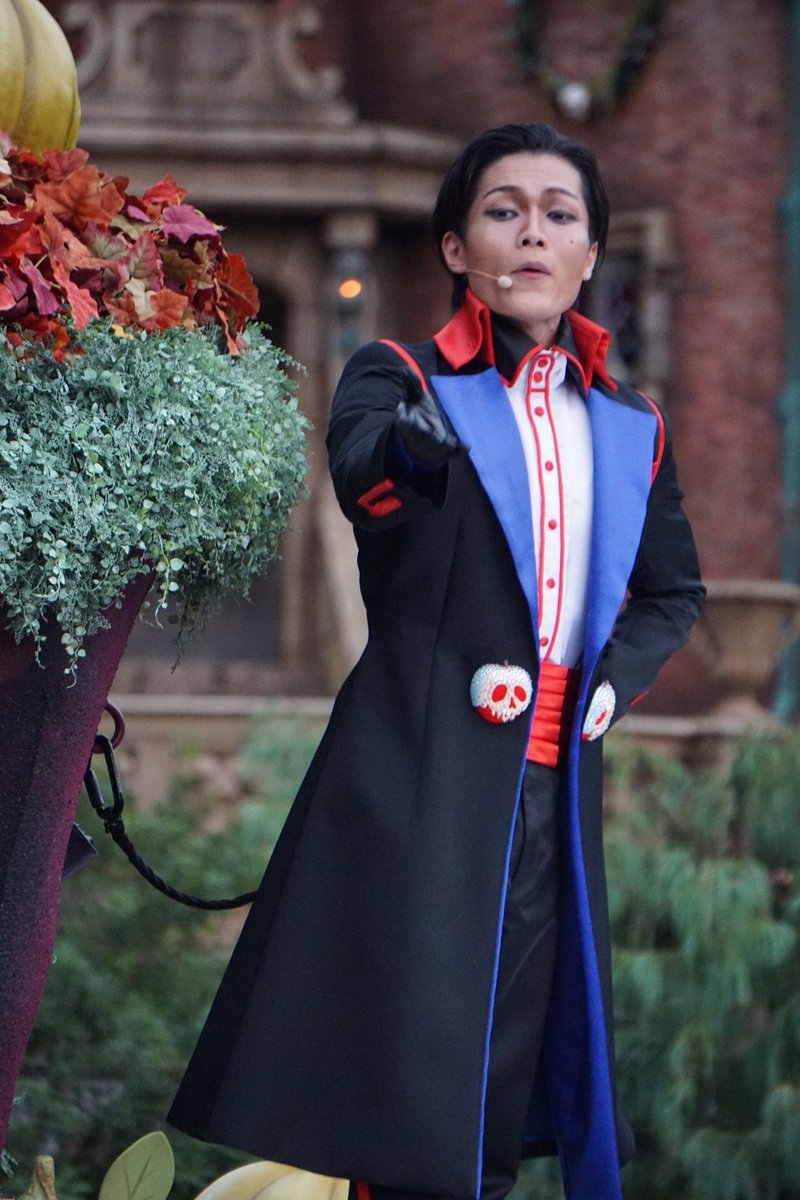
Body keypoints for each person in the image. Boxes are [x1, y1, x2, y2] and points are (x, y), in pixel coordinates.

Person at [168, 122, 705, 1200]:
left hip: (553, 786)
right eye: (503, 210)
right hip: (413, 775)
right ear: (457, 247)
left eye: (559, 214)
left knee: (503, 1074)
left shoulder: (630, 427)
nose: (532, 232)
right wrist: (419, 441)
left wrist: (608, 686)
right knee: (407, 1089)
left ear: (590, 254)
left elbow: (670, 593)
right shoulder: (396, 374)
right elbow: (365, 483)